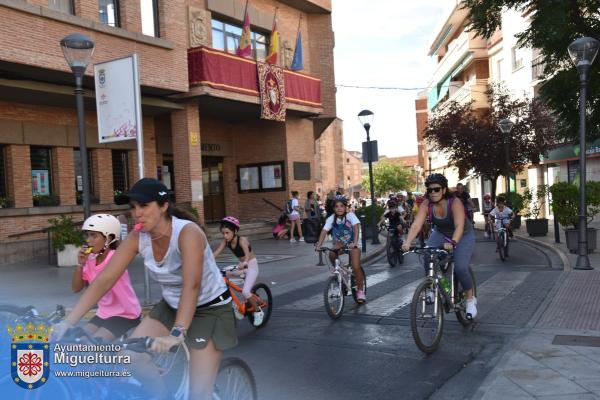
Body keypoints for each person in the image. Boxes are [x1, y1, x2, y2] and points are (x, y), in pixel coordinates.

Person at [53, 178, 236, 400]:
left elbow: (192, 285)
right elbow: (104, 280)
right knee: (131, 356)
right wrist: (68, 322)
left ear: (164, 206)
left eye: (144, 205)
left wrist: (177, 333)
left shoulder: (187, 233)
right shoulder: (138, 237)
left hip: (210, 310)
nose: (137, 213)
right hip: (171, 306)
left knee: (198, 394)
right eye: (133, 207)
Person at [402, 173, 478, 319]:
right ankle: (431, 287)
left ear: (444, 190)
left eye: (436, 189)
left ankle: (470, 300)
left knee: (461, 267)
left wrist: (453, 242)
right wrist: (407, 241)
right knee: (427, 255)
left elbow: (459, 226)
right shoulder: (426, 204)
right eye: (430, 190)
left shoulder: (454, 202)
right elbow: (417, 224)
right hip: (441, 233)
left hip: (462, 235)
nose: (433, 193)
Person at [72, 214, 141, 341]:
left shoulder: (117, 258)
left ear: (108, 238)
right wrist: (80, 264)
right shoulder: (90, 260)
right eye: (87, 235)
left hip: (125, 314)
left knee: (93, 346)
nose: (88, 240)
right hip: (104, 313)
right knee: (77, 341)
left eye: (94, 236)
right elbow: (76, 288)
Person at [213, 216, 263, 326]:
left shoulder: (242, 240)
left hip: (251, 266)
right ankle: (236, 304)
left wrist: (244, 262)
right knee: (222, 278)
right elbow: (216, 253)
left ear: (235, 231)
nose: (225, 236)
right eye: (223, 233)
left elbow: (246, 254)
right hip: (241, 267)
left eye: (227, 233)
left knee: (245, 292)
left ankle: (258, 312)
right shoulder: (226, 241)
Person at [314, 196, 366, 303]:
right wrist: (319, 245)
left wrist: (355, 243)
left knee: (356, 266)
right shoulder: (331, 218)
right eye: (336, 206)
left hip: (353, 243)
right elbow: (324, 231)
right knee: (332, 254)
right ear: (333, 208)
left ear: (345, 207)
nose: (339, 208)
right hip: (340, 244)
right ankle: (340, 272)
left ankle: (360, 290)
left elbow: (356, 228)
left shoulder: (350, 215)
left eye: (342, 206)